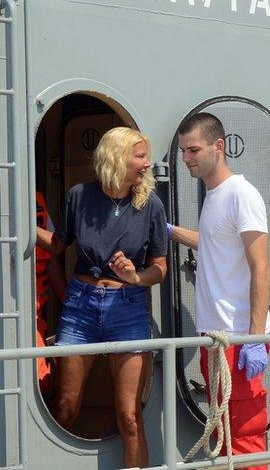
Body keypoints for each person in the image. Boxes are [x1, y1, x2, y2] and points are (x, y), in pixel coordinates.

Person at [48, 127, 167, 468]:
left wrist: (136, 276)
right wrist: (20, 227)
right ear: (117, 157)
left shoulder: (151, 205)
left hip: (127, 308)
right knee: (66, 407)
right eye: (140, 156)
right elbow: (59, 245)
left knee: (129, 417)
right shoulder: (79, 196)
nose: (147, 164)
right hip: (80, 307)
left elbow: (160, 267)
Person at [168, 112, 270, 470]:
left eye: (193, 149)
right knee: (223, 437)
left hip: (240, 338)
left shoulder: (241, 194)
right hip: (215, 338)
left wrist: (255, 338)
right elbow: (213, 243)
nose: (186, 159)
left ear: (219, 146)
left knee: (244, 438)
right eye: (183, 151)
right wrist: (170, 230)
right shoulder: (214, 195)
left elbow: (261, 267)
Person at [33, 191, 66, 395]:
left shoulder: (37, 199)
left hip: (37, 315)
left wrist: (71, 305)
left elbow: (53, 253)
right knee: (36, 378)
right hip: (11, 312)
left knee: (41, 380)